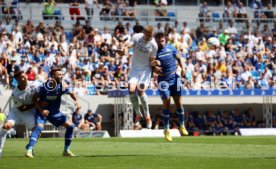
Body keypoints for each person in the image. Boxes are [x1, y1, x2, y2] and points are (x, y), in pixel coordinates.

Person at [25, 68, 81, 158]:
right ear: (53, 76)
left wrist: (77, 101)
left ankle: (66, 150)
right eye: (59, 74)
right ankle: (29, 150)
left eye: (61, 74)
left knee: (70, 126)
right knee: (38, 128)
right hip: (42, 112)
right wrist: (41, 110)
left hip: (55, 112)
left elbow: (72, 93)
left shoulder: (63, 85)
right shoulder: (43, 87)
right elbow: (34, 99)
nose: (61, 76)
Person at [117, 25, 158, 129]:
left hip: (146, 70)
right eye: (148, 35)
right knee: (131, 90)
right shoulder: (136, 37)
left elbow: (151, 60)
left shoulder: (154, 45)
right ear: (144, 32)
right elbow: (128, 46)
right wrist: (123, 51)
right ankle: (138, 114)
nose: (149, 37)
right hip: (135, 68)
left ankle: (147, 115)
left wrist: (155, 66)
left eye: (151, 35)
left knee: (140, 91)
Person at [150, 32, 188, 142]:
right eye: (158, 41)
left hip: (174, 78)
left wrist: (184, 69)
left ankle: (182, 125)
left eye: (161, 41)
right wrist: (154, 66)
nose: (160, 43)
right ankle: (166, 129)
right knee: (166, 103)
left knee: (179, 103)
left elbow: (179, 58)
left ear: (165, 40)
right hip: (163, 80)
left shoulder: (171, 48)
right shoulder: (153, 52)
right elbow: (150, 65)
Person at [0, 71, 38, 158]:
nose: (25, 78)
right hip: (17, 111)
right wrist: (36, 104)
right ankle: (0, 150)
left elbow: (46, 86)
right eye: (22, 77)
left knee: (37, 132)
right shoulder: (14, 93)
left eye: (25, 76)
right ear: (17, 79)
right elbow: (22, 108)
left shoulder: (34, 84)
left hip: (29, 113)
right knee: (6, 127)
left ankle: (30, 148)